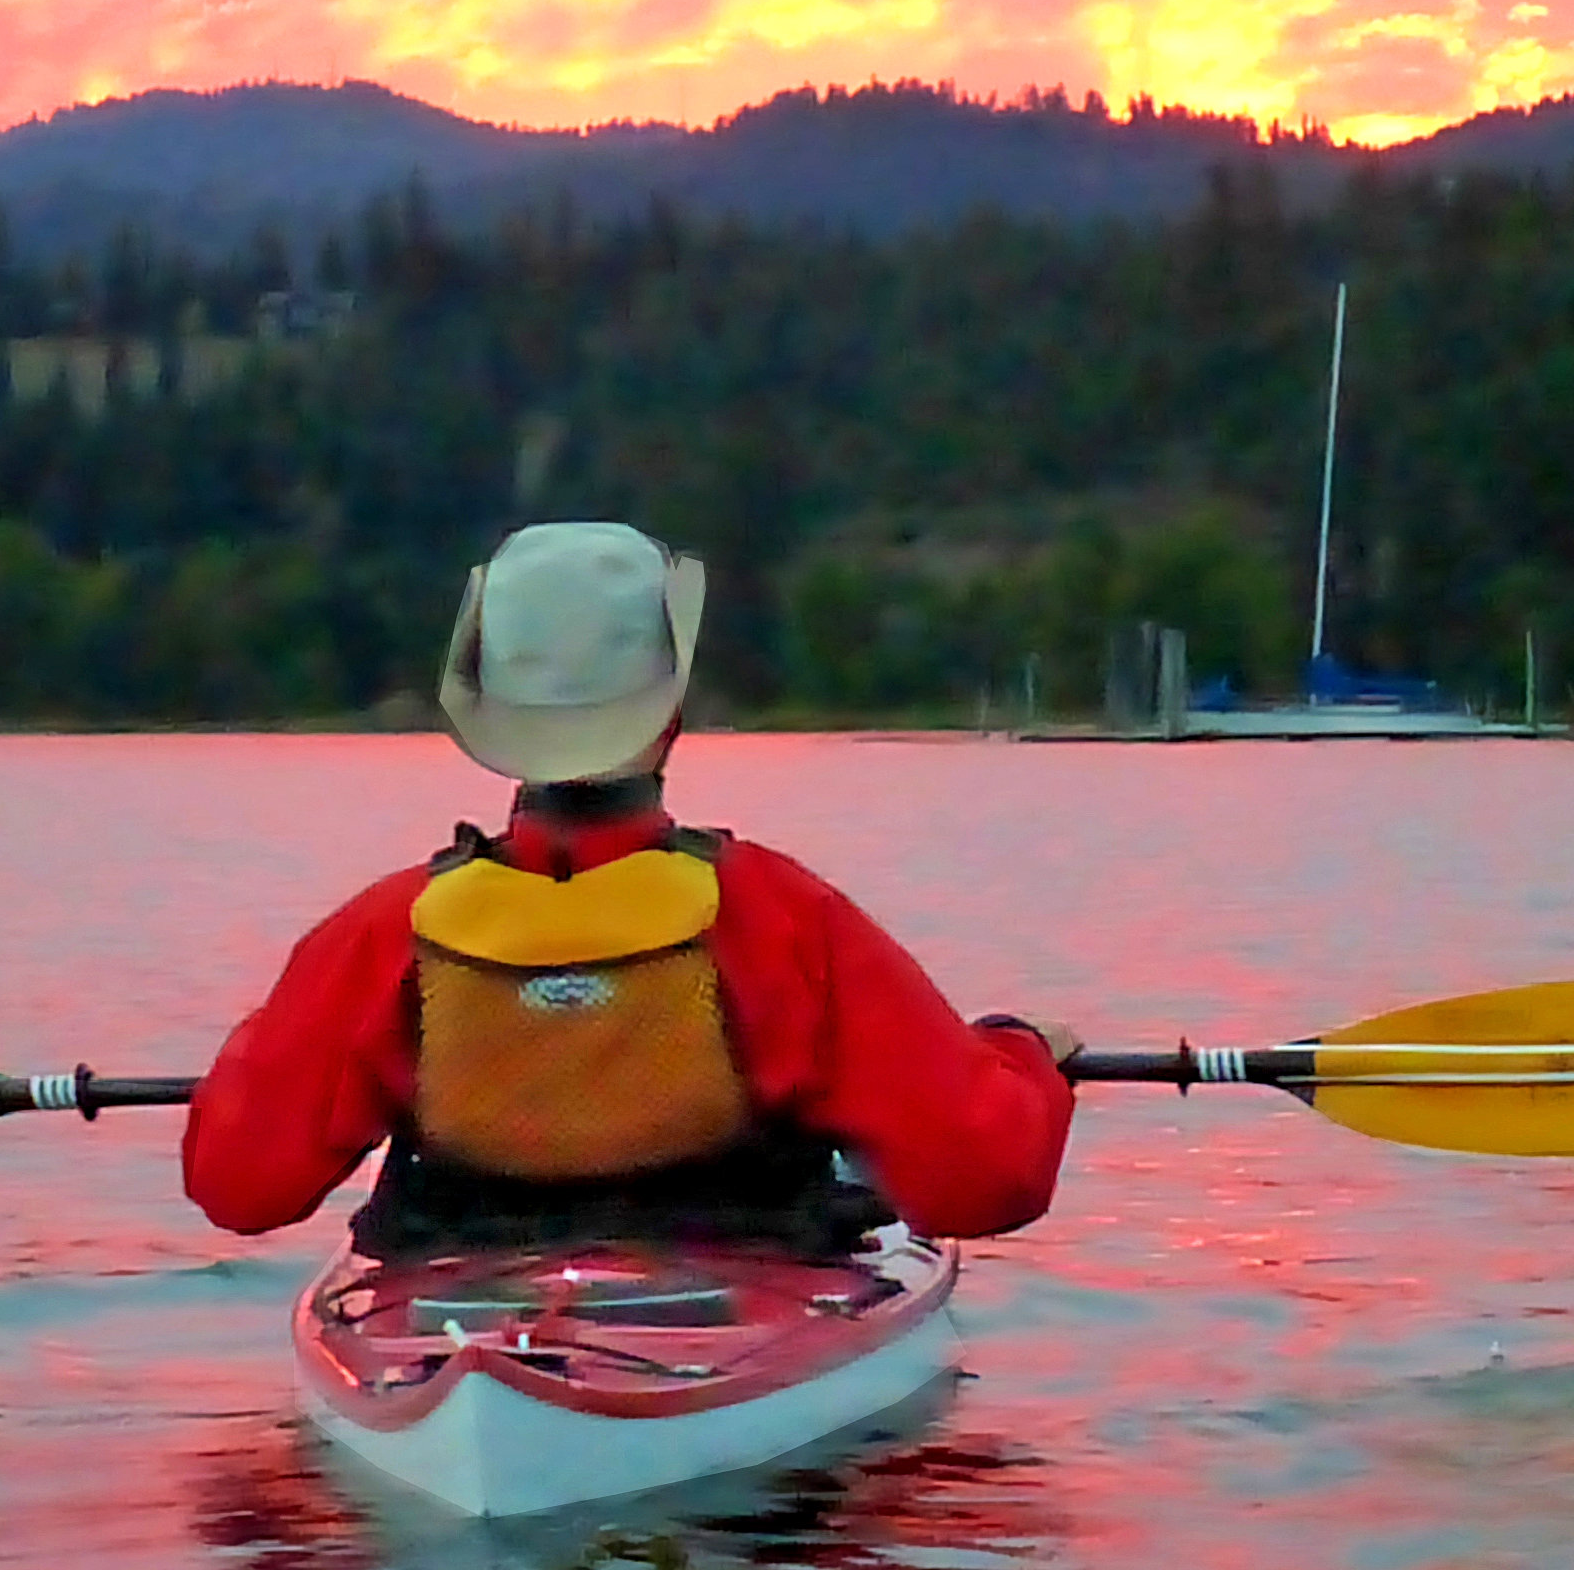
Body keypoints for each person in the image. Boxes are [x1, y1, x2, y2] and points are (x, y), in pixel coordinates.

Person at [182, 521, 1079, 1257]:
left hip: (458, 1311)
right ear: (672, 709)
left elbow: (238, 1185)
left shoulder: (384, 933)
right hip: (731, 1296)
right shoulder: (784, 919)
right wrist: (1024, 1052)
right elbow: (982, 1179)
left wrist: (266, 1044)